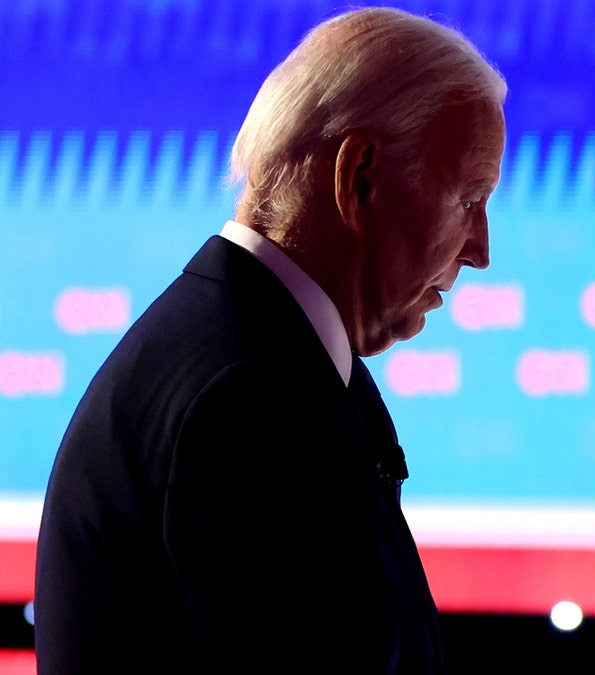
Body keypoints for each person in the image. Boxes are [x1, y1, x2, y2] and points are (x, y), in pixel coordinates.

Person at [34, 8, 505, 673]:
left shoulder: (273, 358)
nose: (481, 250)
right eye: (469, 199)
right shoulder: (252, 397)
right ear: (360, 177)